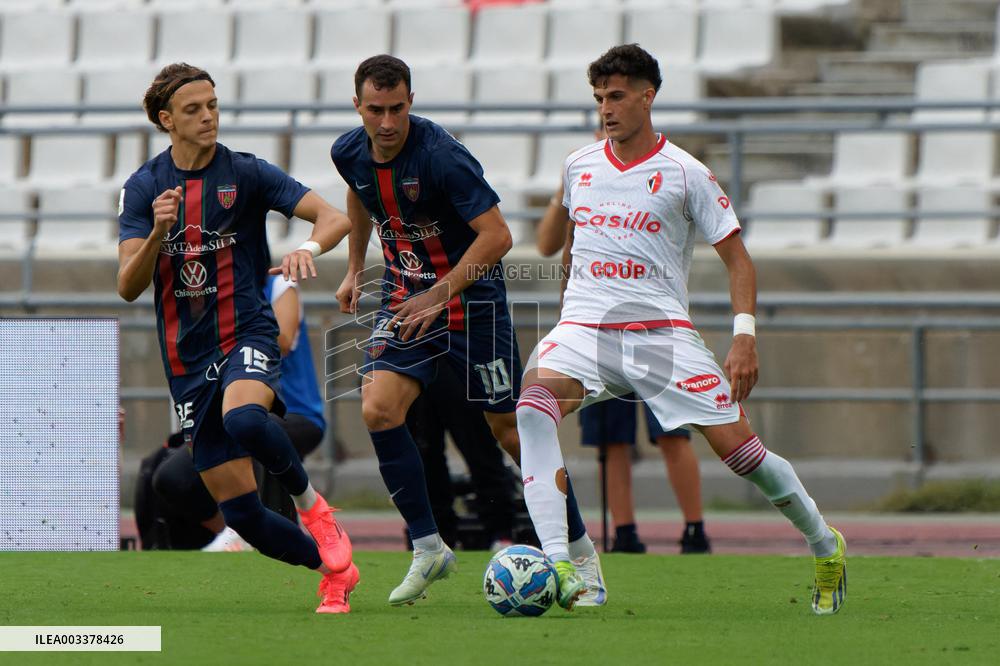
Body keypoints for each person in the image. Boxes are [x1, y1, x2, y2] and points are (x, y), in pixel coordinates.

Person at [517, 45, 847, 615]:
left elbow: (739, 261)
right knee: (531, 408)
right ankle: (564, 565)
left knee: (741, 454)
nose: (606, 109)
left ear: (648, 97)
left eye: (617, 97)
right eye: (599, 99)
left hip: (659, 335)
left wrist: (744, 336)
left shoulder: (686, 173)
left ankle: (824, 542)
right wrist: (572, 300)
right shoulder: (578, 165)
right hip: (586, 328)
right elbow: (569, 245)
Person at [331, 54, 604, 607]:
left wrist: (441, 292)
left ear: (411, 102)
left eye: (398, 109)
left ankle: (580, 554)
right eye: (376, 110)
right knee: (378, 408)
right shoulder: (348, 152)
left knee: (512, 432)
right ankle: (428, 547)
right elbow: (360, 195)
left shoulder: (441, 156)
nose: (387, 122)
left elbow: (498, 236)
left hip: (472, 307)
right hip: (405, 300)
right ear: (357, 106)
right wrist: (355, 266)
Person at [117, 63, 357, 614]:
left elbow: (333, 218)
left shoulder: (245, 173)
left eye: (213, 105)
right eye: (194, 109)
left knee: (245, 418)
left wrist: (307, 250)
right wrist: (157, 233)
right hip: (186, 360)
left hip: (247, 331)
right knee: (245, 516)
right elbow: (128, 285)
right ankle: (334, 574)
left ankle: (315, 509)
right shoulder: (145, 187)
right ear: (166, 120)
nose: (209, 116)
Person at [537, 152, 711, 555]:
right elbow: (552, 246)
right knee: (611, 438)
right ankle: (625, 531)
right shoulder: (582, 172)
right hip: (594, 327)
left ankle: (695, 528)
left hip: (650, 324)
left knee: (671, 429)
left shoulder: (660, 170)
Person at [151, 272, 328, 553]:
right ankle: (244, 531)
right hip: (227, 416)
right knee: (171, 477)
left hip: (293, 411)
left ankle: (258, 531)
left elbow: (282, 340)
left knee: (249, 426)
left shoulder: (278, 285)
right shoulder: (210, 292)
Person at [406, 361, 518, 551]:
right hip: (416, 362)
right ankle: (437, 535)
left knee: (481, 451)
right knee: (424, 457)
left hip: (462, 361)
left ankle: (501, 533)